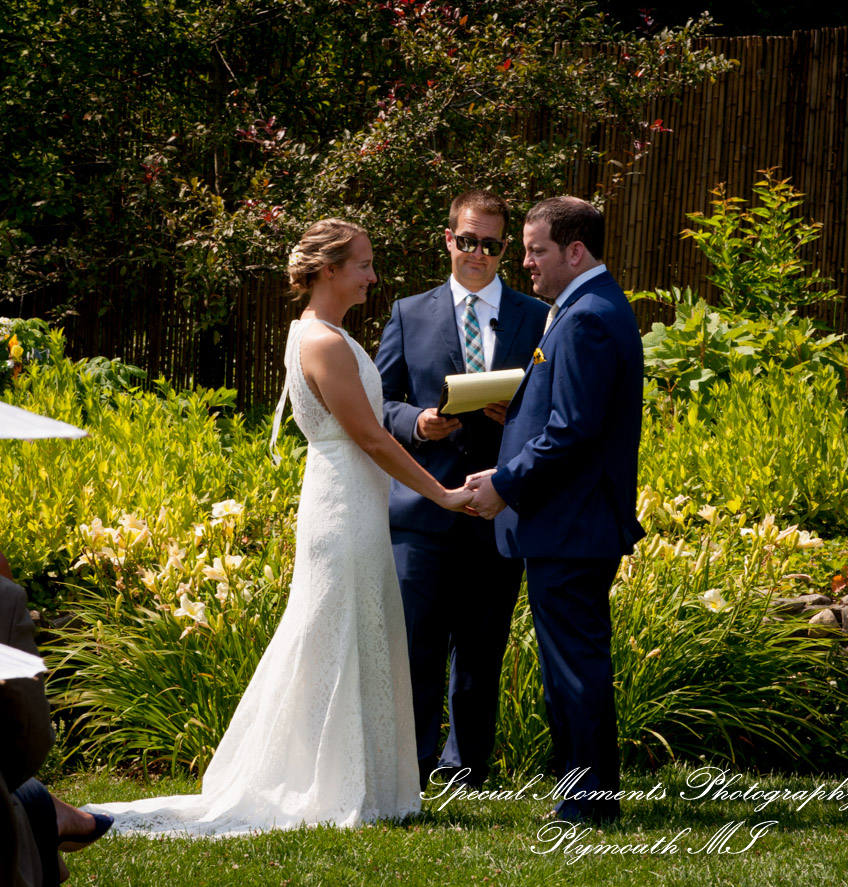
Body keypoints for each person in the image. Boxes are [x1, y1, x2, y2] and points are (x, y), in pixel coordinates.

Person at [86, 219, 472, 835]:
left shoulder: (324, 334)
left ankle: (360, 781)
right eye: (363, 264)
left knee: (350, 631)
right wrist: (443, 494)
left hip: (351, 502)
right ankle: (326, 783)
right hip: (343, 507)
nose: (374, 276)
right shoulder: (322, 341)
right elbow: (370, 437)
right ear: (327, 271)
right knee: (334, 633)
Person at [466, 196, 645, 824]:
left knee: (574, 671)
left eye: (536, 249)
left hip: (571, 526)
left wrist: (504, 484)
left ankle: (588, 807)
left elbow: (572, 430)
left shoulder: (588, 315)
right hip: (569, 523)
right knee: (569, 667)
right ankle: (580, 796)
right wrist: (515, 413)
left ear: (575, 251)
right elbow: (565, 414)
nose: (524, 262)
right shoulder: (583, 307)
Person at [375, 190, 549, 789]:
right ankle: (415, 767)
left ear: (504, 249)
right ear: (448, 239)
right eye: (467, 240)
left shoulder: (535, 316)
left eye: (491, 244)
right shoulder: (408, 312)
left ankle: (469, 769)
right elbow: (379, 404)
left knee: (481, 652)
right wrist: (418, 423)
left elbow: (552, 405)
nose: (478, 253)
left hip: (496, 511)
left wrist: (518, 412)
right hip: (422, 507)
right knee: (417, 649)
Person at [1, 570, 113, 887]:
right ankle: (56, 816)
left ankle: (55, 814)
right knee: (28, 800)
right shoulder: (3, 599)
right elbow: (28, 740)